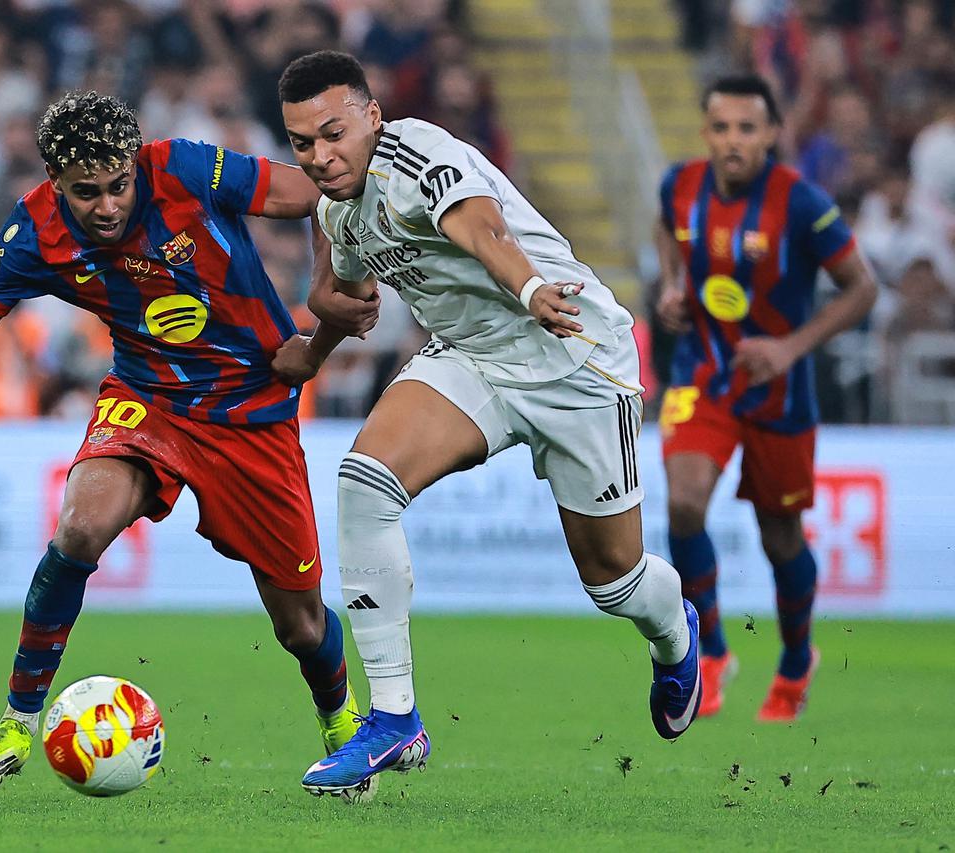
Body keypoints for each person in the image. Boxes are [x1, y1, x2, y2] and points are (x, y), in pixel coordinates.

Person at [271, 51, 702, 800]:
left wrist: (530, 286)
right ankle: (395, 717)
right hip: (474, 360)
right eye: (303, 143)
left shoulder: (419, 153)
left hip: (573, 356)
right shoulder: (338, 207)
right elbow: (349, 289)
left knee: (614, 582)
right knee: (364, 482)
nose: (319, 155)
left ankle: (675, 629)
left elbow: (480, 228)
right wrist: (311, 352)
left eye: (333, 133)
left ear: (372, 116)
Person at [0, 91, 379, 793]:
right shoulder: (36, 231)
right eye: (85, 192)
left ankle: (340, 719)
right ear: (53, 182)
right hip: (147, 398)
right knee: (80, 527)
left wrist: (317, 324)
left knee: (300, 624)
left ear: (136, 165)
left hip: (251, 407)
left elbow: (321, 193)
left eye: (117, 186)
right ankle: (18, 719)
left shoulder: (187, 171)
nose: (105, 206)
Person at [653, 75, 877, 722]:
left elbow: (862, 288)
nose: (733, 141)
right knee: (686, 503)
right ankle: (715, 653)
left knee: (781, 537)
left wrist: (790, 346)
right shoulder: (681, 185)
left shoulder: (801, 203)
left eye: (747, 129)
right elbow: (667, 227)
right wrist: (672, 286)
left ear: (772, 134)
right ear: (706, 132)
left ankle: (796, 659)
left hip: (778, 390)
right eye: (721, 128)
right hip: (703, 374)